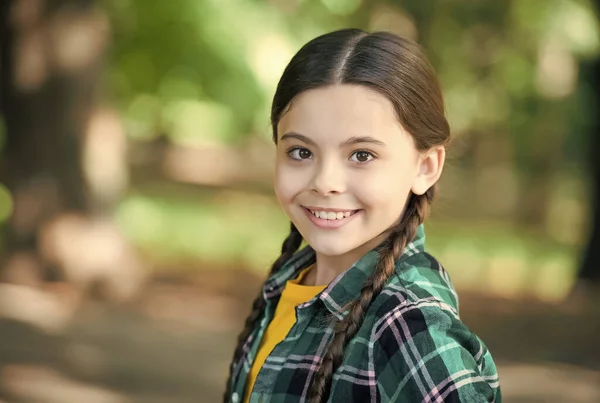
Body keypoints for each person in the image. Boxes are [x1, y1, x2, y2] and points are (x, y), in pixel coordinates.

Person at [223, 28, 501, 403]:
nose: (325, 183)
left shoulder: (407, 325)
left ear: (425, 166)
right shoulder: (294, 278)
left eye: (362, 155)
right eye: (301, 152)